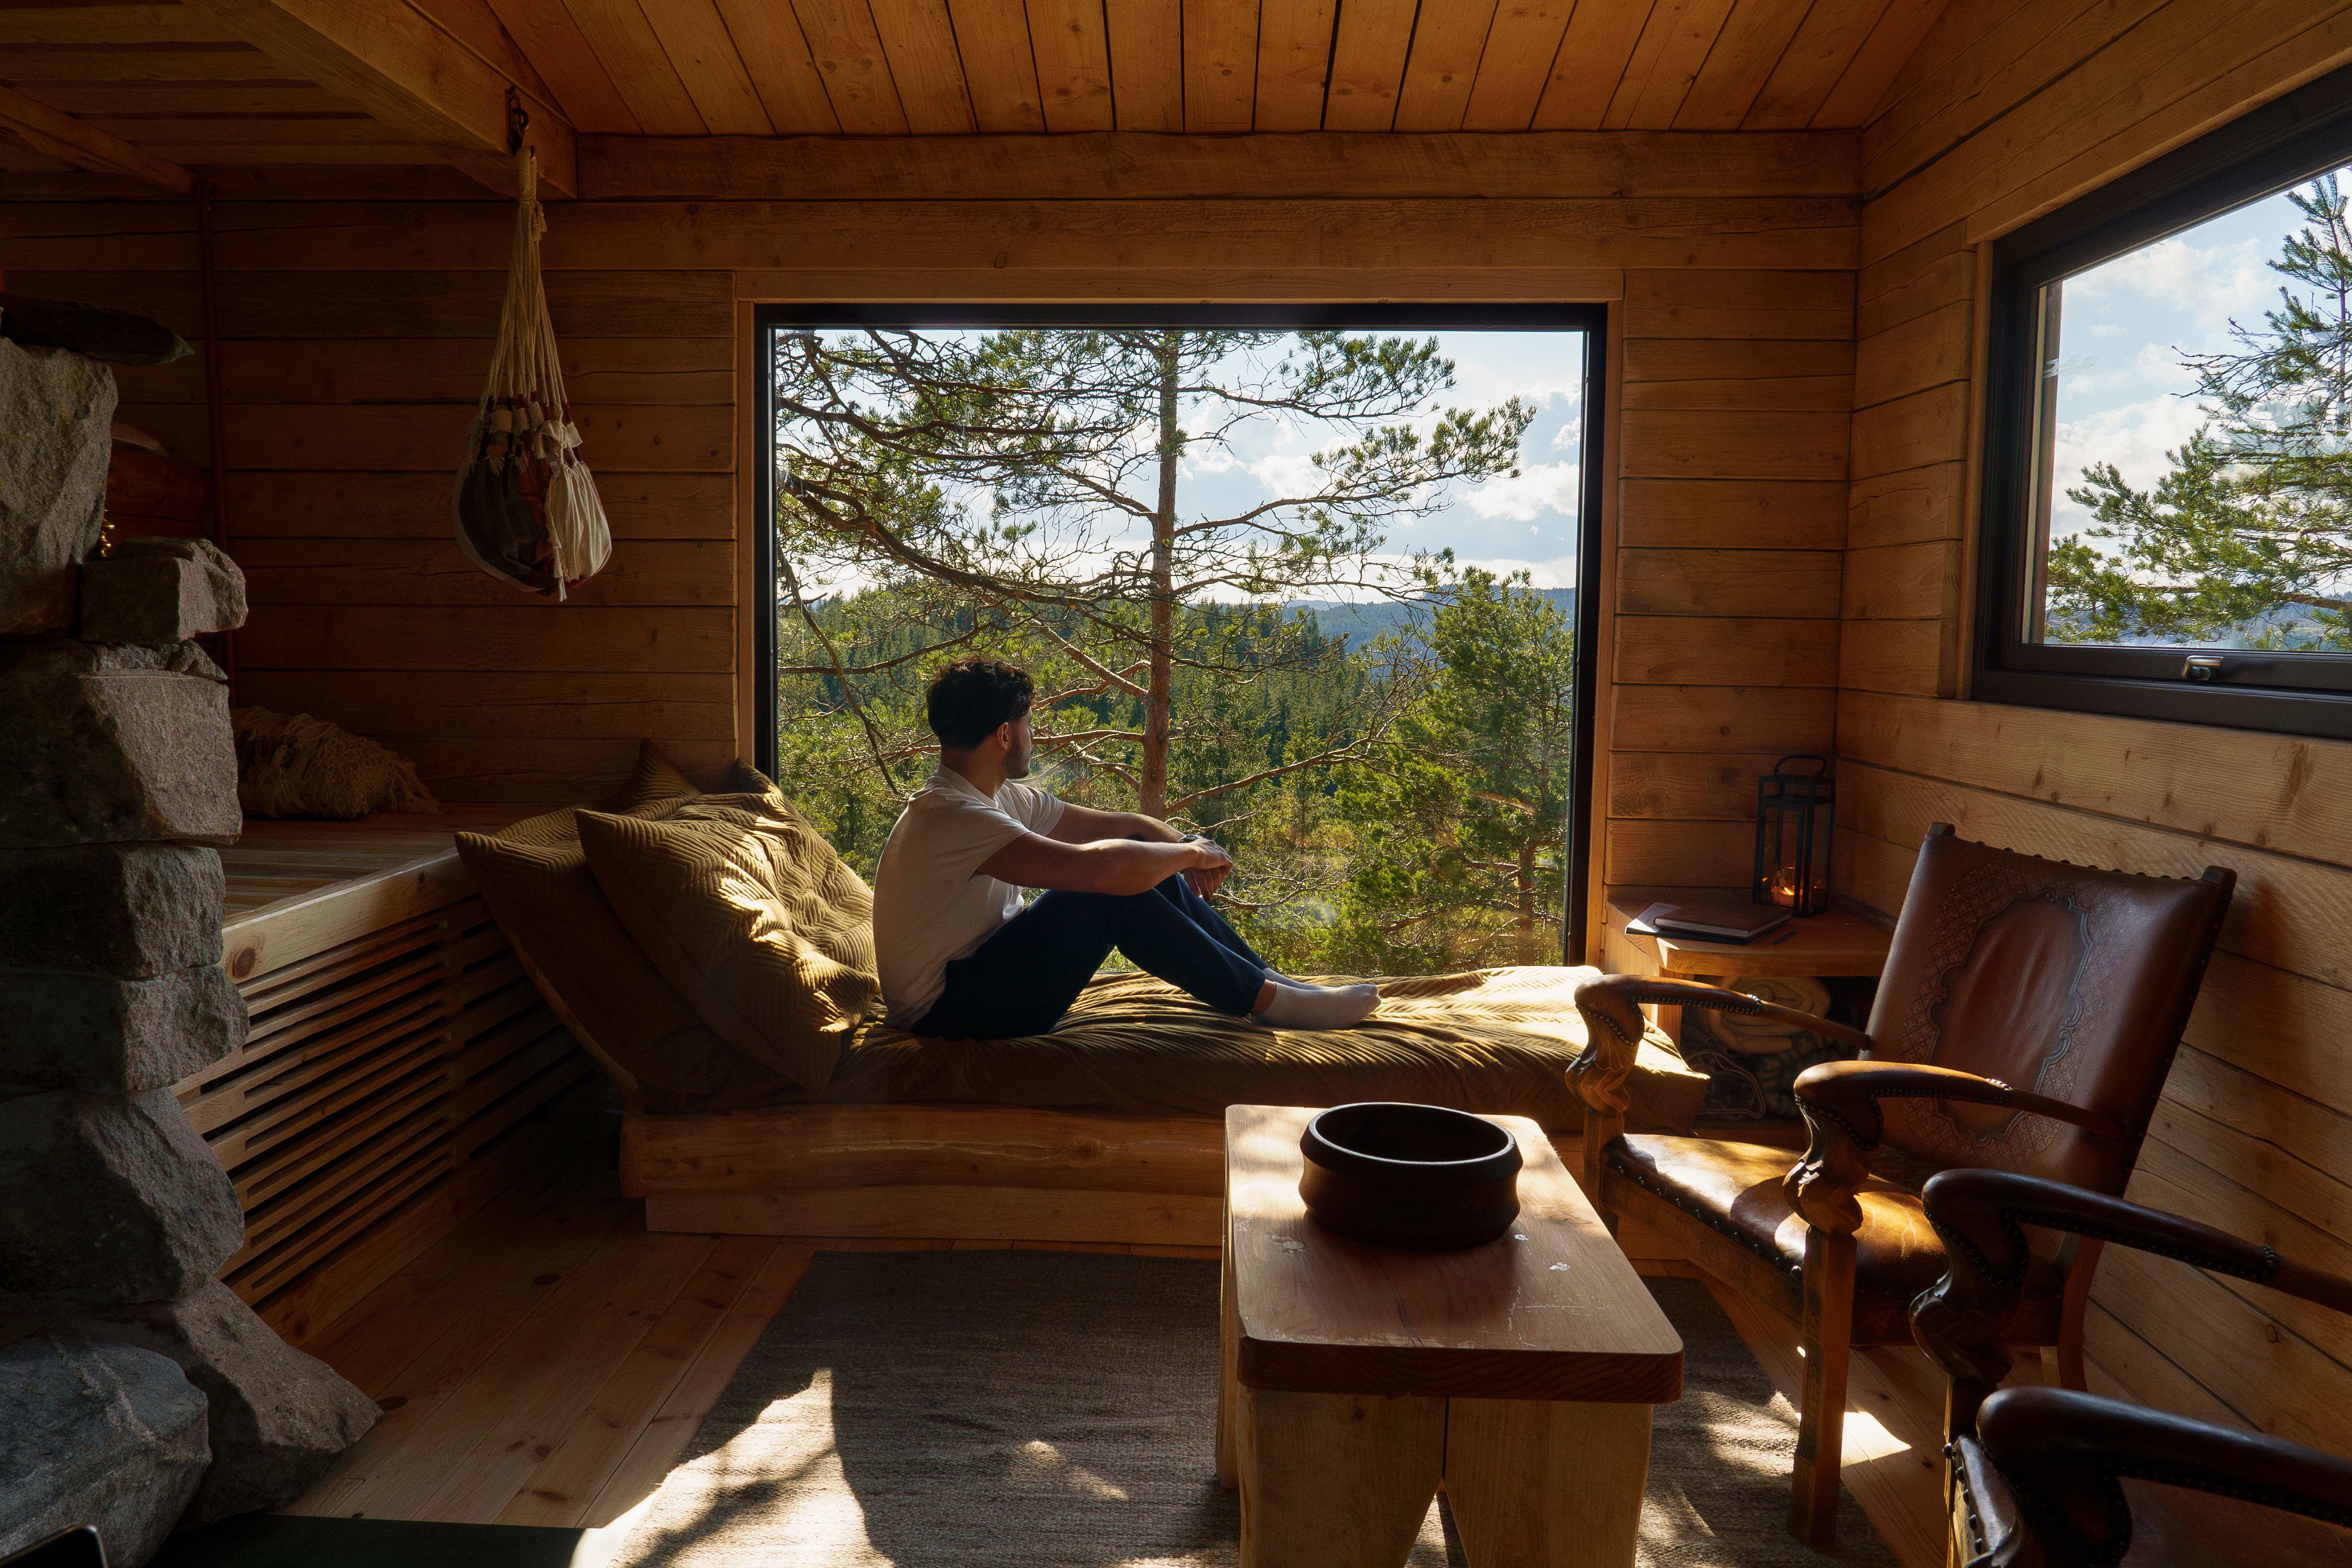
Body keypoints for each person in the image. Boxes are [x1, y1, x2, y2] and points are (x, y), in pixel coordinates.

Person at [870, 657, 1381, 1039]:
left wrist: (1185, 843)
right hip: (947, 1015)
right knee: (1104, 889)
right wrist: (1188, 859)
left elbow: (1122, 827)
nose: (1034, 735)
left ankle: (1268, 981)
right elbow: (1103, 870)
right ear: (1005, 734)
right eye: (1029, 724)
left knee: (1130, 858)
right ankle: (1266, 1000)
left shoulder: (989, 797)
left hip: (981, 981)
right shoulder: (955, 818)